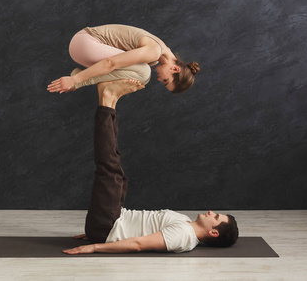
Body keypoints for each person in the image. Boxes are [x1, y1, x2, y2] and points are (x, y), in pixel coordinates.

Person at [63, 79, 238, 254]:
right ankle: (112, 101)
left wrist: (95, 246)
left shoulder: (183, 236)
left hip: (109, 225)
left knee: (110, 167)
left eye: (215, 217)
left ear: (213, 232)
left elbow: (138, 244)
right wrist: (95, 232)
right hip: (110, 221)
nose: (210, 211)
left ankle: (107, 99)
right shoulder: (185, 223)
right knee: (117, 169)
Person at [47, 24, 200, 95]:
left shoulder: (157, 55)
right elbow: (110, 63)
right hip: (86, 42)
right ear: (175, 69)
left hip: (83, 46)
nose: (160, 80)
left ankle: (79, 77)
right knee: (144, 74)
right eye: (166, 81)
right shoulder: (154, 52)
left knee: (141, 74)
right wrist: (75, 80)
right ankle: (79, 79)